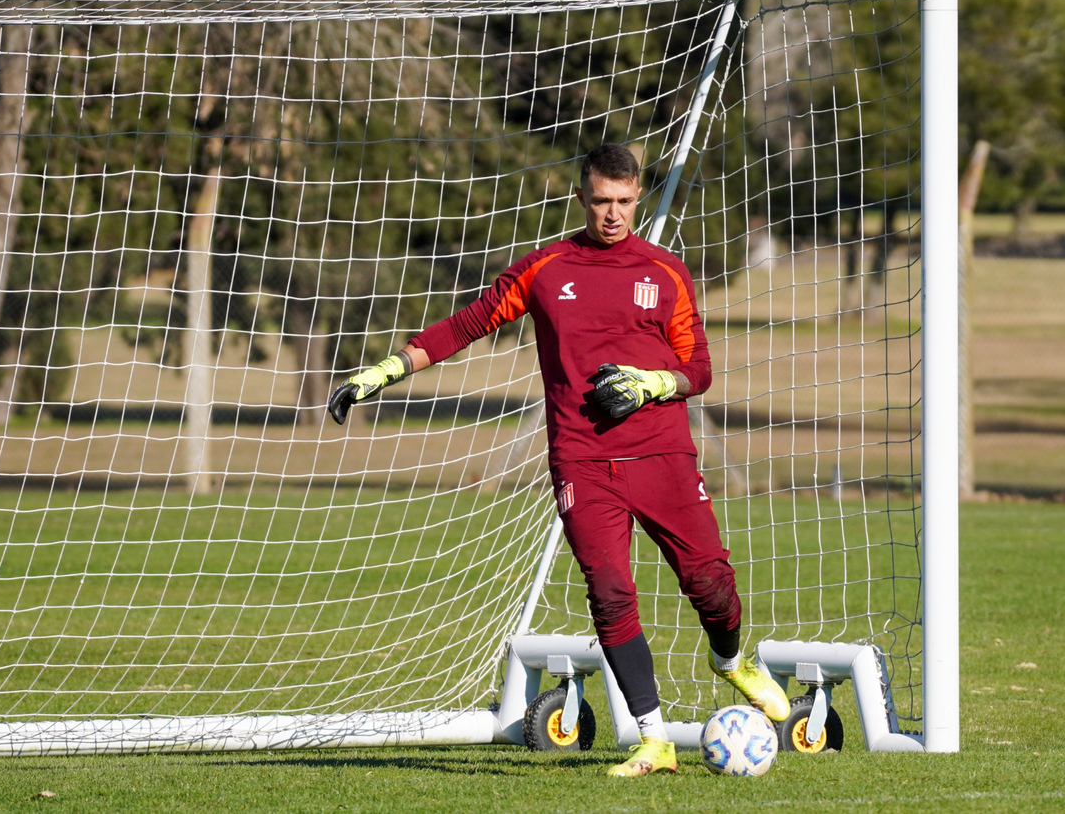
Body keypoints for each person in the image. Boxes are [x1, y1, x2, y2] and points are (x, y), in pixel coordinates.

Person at [327, 143, 788, 777]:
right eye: (602, 201)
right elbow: (468, 325)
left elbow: (698, 371)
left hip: (662, 454)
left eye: (625, 202)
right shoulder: (546, 269)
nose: (614, 214)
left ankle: (731, 660)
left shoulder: (667, 272)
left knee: (711, 583)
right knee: (609, 591)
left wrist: (654, 384)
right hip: (582, 461)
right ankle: (652, 739)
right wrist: (388, 368)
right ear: (583, 198)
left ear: (637, 199)